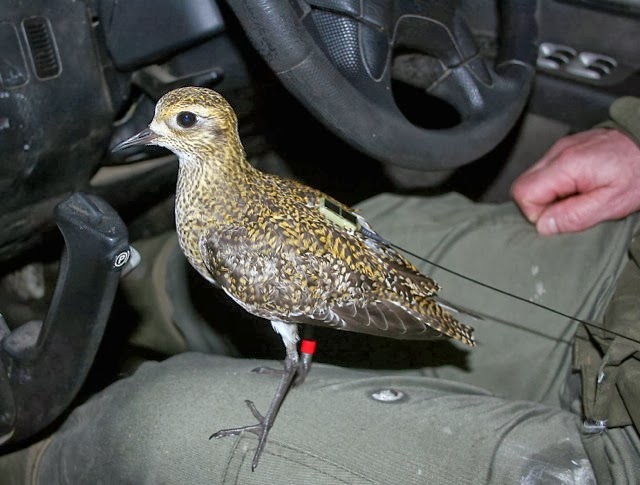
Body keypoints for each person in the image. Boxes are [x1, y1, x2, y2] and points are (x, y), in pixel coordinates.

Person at [1, 98, 639, 484]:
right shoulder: (220, 191)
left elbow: (328, 275)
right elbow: (331, 219)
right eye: (160, 122)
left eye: (181, 122)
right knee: (389, 221)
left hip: (333, 280)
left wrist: (406, 302)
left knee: (155, 423)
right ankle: (77, 294)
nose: (153, 132)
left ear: (217, 138)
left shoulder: (217, 238)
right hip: (334, 249)